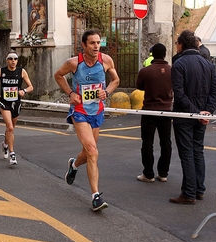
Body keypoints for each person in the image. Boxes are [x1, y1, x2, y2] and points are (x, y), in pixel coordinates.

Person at [54, 29, 120, 211]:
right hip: (80, 111)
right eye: (92, 43)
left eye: (98, 42)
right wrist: (70, 93)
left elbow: (116, 80)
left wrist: (106, 92)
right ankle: (95, 197)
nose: (96, 46)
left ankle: (73, 166)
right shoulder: (73, 63)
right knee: (92, 150)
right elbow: (58, 76)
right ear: (83, 45)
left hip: (96, 111)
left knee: (88, 152)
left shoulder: (106, 60)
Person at [169, 30, 216, 205]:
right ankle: (199, 189)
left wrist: (196, 112)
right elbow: (215, 92)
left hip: (184, 115)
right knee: (198, 150)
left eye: (177, 43)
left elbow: (179, 93)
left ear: (181, 44)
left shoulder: (179, 63)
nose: (176, 46)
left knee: (187, 154)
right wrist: (207, 112)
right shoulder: (208, 64)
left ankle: (189, 192)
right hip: (202, 115)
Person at [136, 43, 173, 183]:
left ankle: (148, 173)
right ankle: (163, 173)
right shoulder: (172, 70)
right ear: (164, 54)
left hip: (149, 110)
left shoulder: (145, 71)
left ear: (152, 54)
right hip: (166, 110)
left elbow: (139, 86)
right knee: (166, 142)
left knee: (147, 142)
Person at [0, 50, 34, 165]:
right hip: (4, 103)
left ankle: (5, 144)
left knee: (11, 129)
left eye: (15, 59)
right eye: (11, 59)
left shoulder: (21, 72)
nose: (13, 61)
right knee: (9, 127)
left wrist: (23, 91)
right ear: (7, 60)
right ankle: (12, 153)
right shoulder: (0, 71)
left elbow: (30, 87)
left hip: (16, 103)